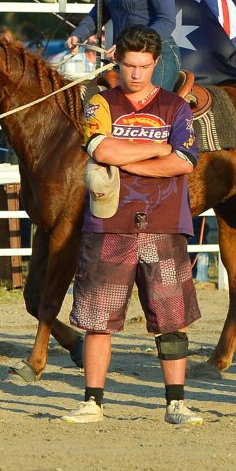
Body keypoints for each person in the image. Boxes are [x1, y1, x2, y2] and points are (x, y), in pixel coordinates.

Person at [62, 25, 202, 426]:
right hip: (109, 221)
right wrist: (158, 147)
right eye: (129, 65)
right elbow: (99, 147)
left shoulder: (176, 106)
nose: (137, 74)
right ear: (116, 61)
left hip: (164, 220)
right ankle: (92, 401)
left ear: (156, 64)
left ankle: (176, 402)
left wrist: (126, 157)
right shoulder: (99, 102)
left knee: (171, 316)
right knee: (97, 315)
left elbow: (185, 161)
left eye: (144, 66)